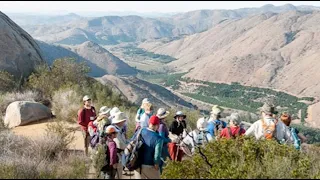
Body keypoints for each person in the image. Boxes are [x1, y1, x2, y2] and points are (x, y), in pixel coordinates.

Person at [111, 111, 128, 179]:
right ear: (120, 122)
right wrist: (128, 147)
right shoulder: (116, 131)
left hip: (118, 155)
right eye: (123, 121)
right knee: (118, 175)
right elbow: (119, 144)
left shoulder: (118, 129)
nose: (124, 122)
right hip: (117, 155)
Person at [156, 108, 171, 174]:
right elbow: (161, 138)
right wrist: (169, 140)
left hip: (161, 146)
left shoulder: (159, 124)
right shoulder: (161, 126)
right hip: (163, 147)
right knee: (162, 165)